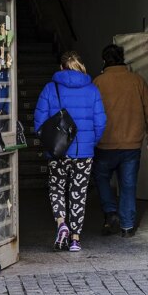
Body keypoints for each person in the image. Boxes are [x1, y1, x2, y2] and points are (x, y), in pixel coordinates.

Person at [34, 51, 106, 252]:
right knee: (78, 193)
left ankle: (61, 224)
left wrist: (48, 143)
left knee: (56, 188)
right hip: (83, 153)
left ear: (61, 68)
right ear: (80, 67)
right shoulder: (92, 90)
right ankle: (75, 239)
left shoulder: (50, 88)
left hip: (57, 151)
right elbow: (101, 122)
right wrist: (90, 142)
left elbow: (39, 122)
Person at [93, 44, 148, 238]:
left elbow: (91, 113)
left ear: (104, 61)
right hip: (131, 145)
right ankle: (127, 226)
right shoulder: (137, 80)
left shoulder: (98, 82)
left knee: (102, 179)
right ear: (122, 59)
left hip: (104, 144)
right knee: (128, 185)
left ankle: (110, 213)